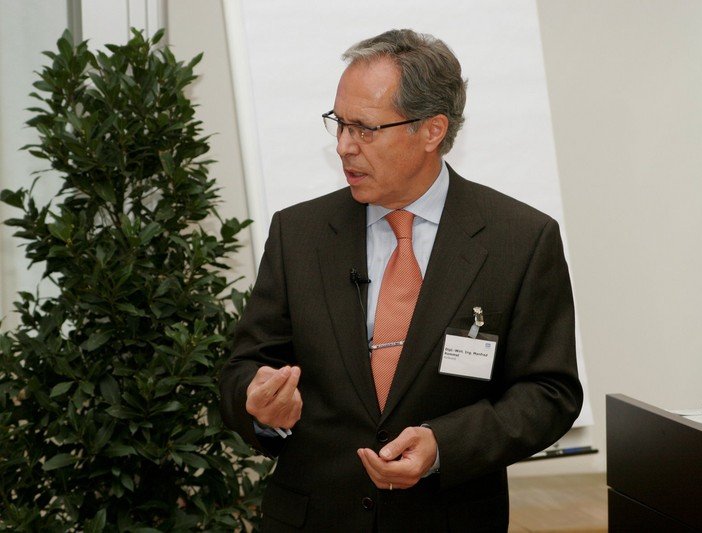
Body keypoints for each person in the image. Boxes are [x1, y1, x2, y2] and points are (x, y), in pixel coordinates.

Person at [219, 28, 583, 532]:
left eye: (365, 129)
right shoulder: (298, 233)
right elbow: (245, 367)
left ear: (431, 131)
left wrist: (444, 445)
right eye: (339, 124)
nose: (344, 146)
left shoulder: (519, 239)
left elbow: (548, 392)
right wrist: (259, 406)